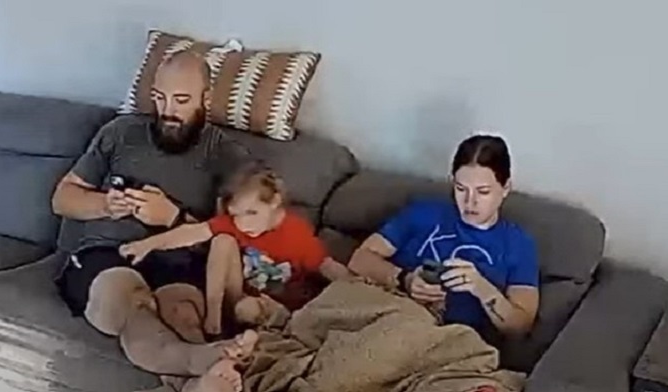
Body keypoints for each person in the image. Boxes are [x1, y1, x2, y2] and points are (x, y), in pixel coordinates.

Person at [51, 50, 256, 391]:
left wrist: (173, 217)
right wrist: (107, 204)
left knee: (184, 315)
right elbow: (63, 198)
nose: (168, 112)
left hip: (179, 261)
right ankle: (201, 361)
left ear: (207, 98)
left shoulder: (227, 156)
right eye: (160, 98)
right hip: (107, 256)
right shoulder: (120, 132)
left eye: (181, 100)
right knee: (132, 301)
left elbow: (233, 242)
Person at [119, 162, 352, 334]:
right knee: (222, 240)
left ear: (274, 201)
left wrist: (361, 286)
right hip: (236, 296)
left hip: (276, 310)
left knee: (247, 310)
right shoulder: (235, 225)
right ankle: (214, 317)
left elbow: (328, 267)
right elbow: (192, 233)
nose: (243, 224)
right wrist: (147, 244)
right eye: (236, 215)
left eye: (252, 213)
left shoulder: (297, 234)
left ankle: (232, 330)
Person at [349, 134, 540, 338]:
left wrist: (482, 288)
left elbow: (521, 326)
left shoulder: (518, 244)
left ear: (505, 188)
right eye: (461, 189)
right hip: (391, 313)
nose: (469, 202)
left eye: (483, 192)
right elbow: (359, 260)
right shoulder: (425, 213)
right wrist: (405, 279)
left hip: (447, 338)